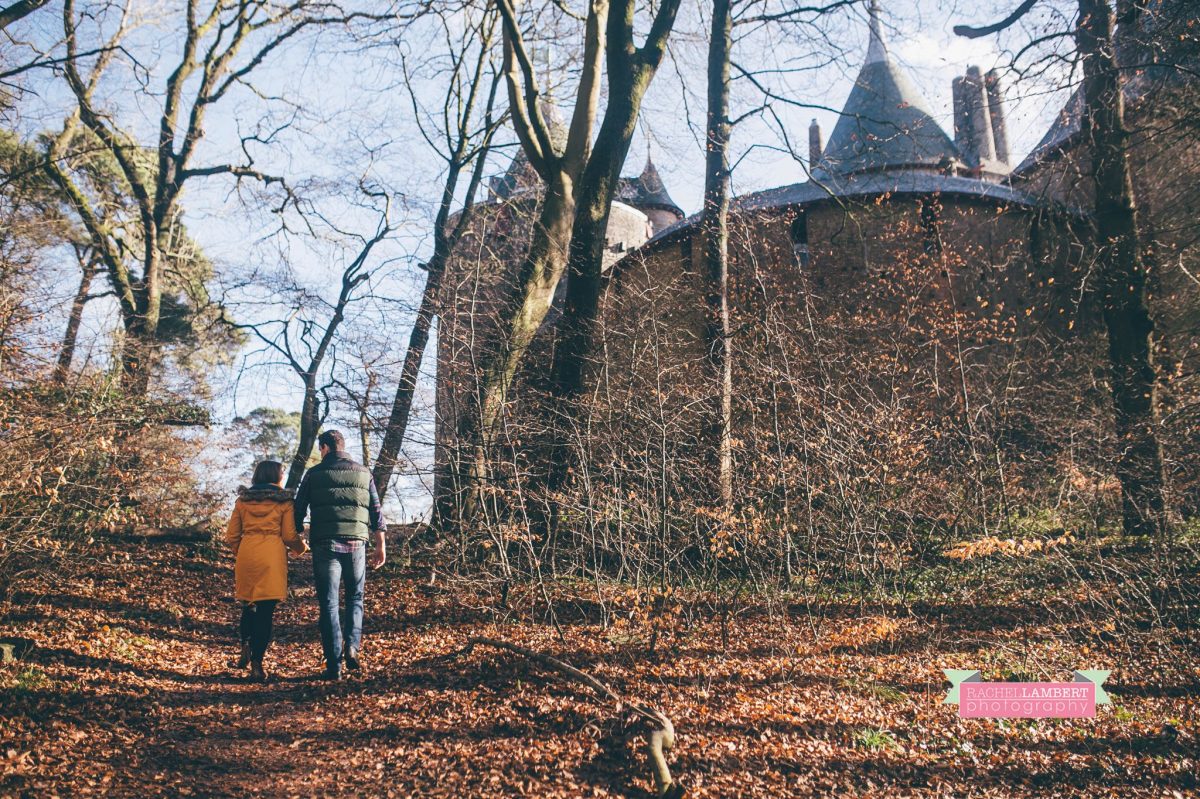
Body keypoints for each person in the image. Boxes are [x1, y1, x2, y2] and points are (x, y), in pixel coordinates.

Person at [294, 429, 387, 680]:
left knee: (329, 603)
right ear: (343, 446)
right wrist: (381, 544)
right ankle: (353, 647)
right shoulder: (363, 472)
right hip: (357, 542)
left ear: (324, 447)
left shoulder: (313, 474)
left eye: (319, 449)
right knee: (356, 597)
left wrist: (298, 533)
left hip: (325, 544)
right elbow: (375, 509)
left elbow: (298, 507)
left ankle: (334, 666)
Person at [225, 460, 308, 682]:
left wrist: (241, 553)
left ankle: (245, 644)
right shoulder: (284, 502)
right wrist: (302, 549)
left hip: (247, 554)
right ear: (277, 477)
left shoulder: (243, 501)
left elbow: (231, 536)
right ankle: (257, 663)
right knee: (265, 611)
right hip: (271, 556)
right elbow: (289, 536)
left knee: (247, 604)